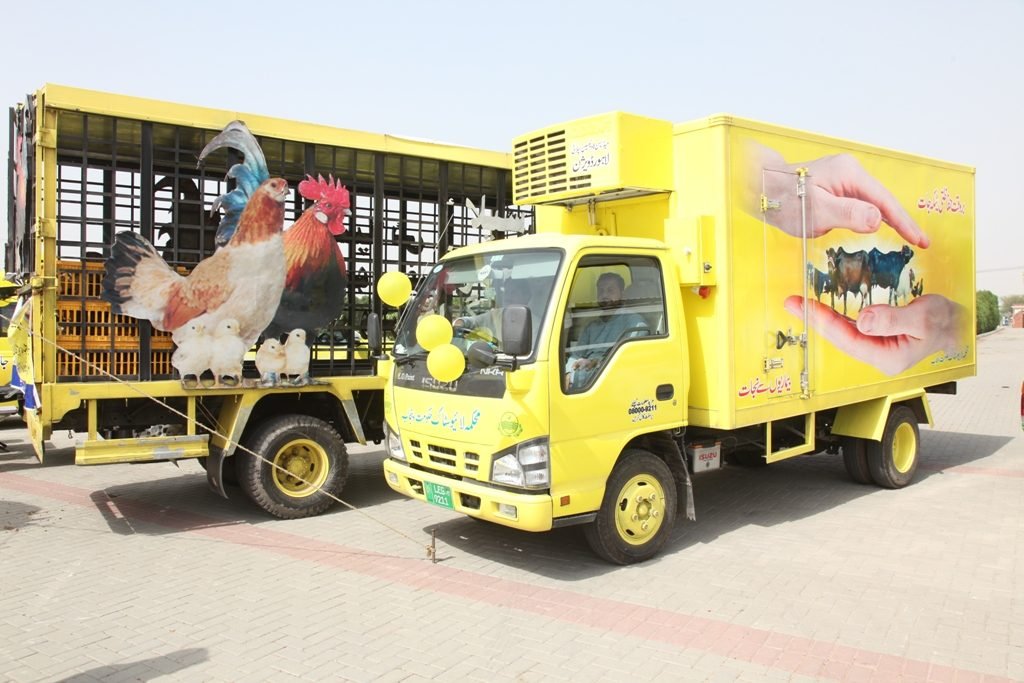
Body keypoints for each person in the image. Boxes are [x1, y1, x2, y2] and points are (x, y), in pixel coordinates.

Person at [565, 272, 649, 389]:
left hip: (610, 383)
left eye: (610, 291)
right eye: (601, 291)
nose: (604, 295)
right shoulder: (592, 326)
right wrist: (568, 373)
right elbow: (576, 355)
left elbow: (626, 364)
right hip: (581, 379)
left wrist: (595, 362)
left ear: (622, 295)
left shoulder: (635, 323)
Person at [452, 279, 531, 347]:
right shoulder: (496, 314)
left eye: (513, 292)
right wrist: (461, 322)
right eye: (507, 292)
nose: (508, 296)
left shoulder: (535, 323)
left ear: (526, 296)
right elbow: (474, 321)